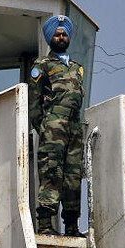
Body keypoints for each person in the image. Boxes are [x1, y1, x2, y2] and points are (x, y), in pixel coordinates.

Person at [29, 14, 86, 236]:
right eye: (57, 34)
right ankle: (45, 224)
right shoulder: (41, 66)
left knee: (73, 175)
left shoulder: (77, 68)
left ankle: (71, 225)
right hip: (53, 126)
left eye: (64, 34)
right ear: (50, 37)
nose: (61, 37)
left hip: (74, 127)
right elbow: (34, 104)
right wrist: (43, 126)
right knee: (51, 172)